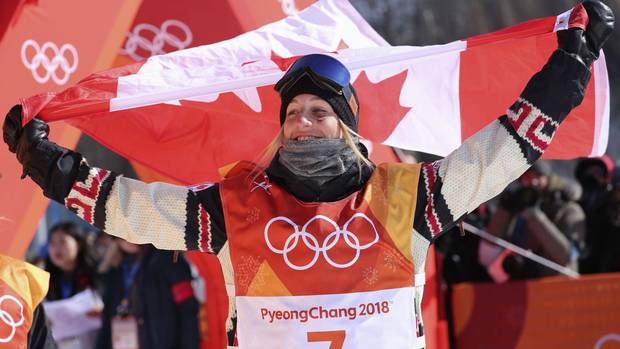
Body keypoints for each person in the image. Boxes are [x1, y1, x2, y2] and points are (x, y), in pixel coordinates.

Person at [2, 2, 614, 348]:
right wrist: (55, 170)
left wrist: (569, 70)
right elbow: (131, 210)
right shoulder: (235, 205)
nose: (302, 122)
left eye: (319, 112)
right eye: (293, 113)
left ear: (347, 128)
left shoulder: (411, 197)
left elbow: (501, 153)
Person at [485, 164, 586, 279]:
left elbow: (567, 256)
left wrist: (535, 217)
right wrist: (504, 210)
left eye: (537, 177)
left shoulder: (569, 210)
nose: (532, 183)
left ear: (548, 179)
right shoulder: (517, 207)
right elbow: (486, 254)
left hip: (560, 288)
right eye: (527, 177)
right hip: (523, 287)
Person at [96, 239, 200, 349]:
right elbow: (106, 322)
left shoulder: (169, 260)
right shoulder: (113, 269)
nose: (128, 238)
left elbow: (188, 309)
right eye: (121, 235)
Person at [43, 222, 102, 348]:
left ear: (79, 244)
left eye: (63, 242)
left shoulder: (98, 273)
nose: (56, 248)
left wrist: (104, 312)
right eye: (52, 243)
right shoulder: (45, 280)